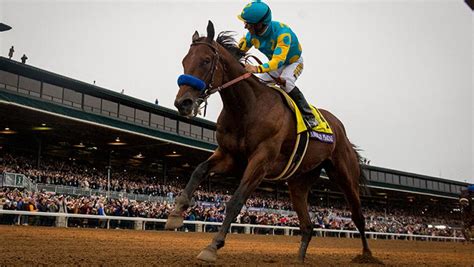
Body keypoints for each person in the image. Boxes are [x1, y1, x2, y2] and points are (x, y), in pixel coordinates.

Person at [237, 0, 317, 128]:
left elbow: (277, 61)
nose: (245, 27)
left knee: (287, 82)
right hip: (276, 64)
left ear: (260, 24)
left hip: (292, 63)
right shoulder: (251, 35)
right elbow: (238, 51)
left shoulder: (283, 34)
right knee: (257, 84)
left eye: (249, 24)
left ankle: (308, 115)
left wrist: (256, 68)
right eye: (245, 23)